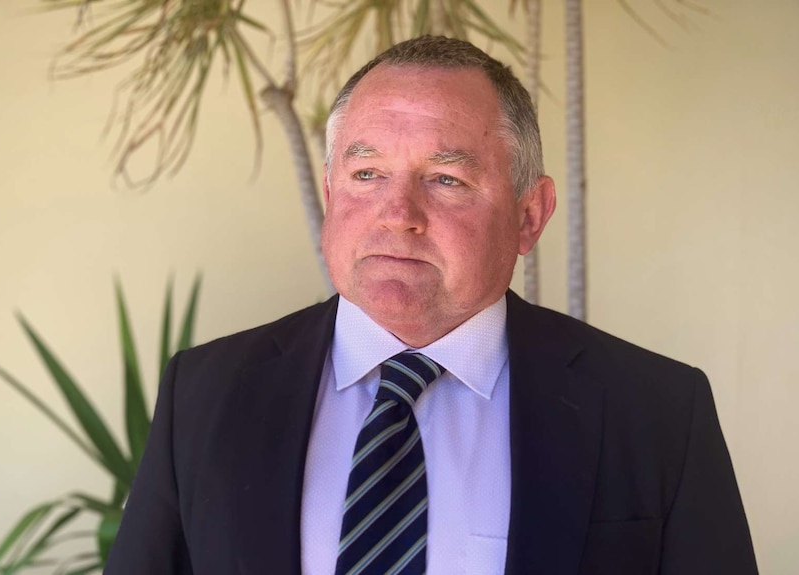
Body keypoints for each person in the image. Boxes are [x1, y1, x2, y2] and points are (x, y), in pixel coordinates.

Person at [104, 36, 757, 574]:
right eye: (367, 175)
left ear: (529, 216)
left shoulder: (660, 412)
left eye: (446, 180)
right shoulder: (206, 392)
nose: (398, 215)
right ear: (331, 195)